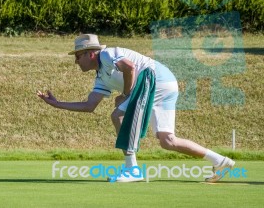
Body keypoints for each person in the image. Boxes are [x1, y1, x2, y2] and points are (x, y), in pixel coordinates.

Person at [37, 34, 235, 183]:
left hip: (154, 79)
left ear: (90, 53)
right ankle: (220, 161)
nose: (75, 61)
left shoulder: (107, 54)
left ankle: (132, 170)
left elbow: (130, 68)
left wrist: (125, 93)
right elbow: (90, 106)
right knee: (168, 141)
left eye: (78, 56)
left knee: (117, 115)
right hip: (166, 84)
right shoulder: (101, 77)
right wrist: (57, 104)